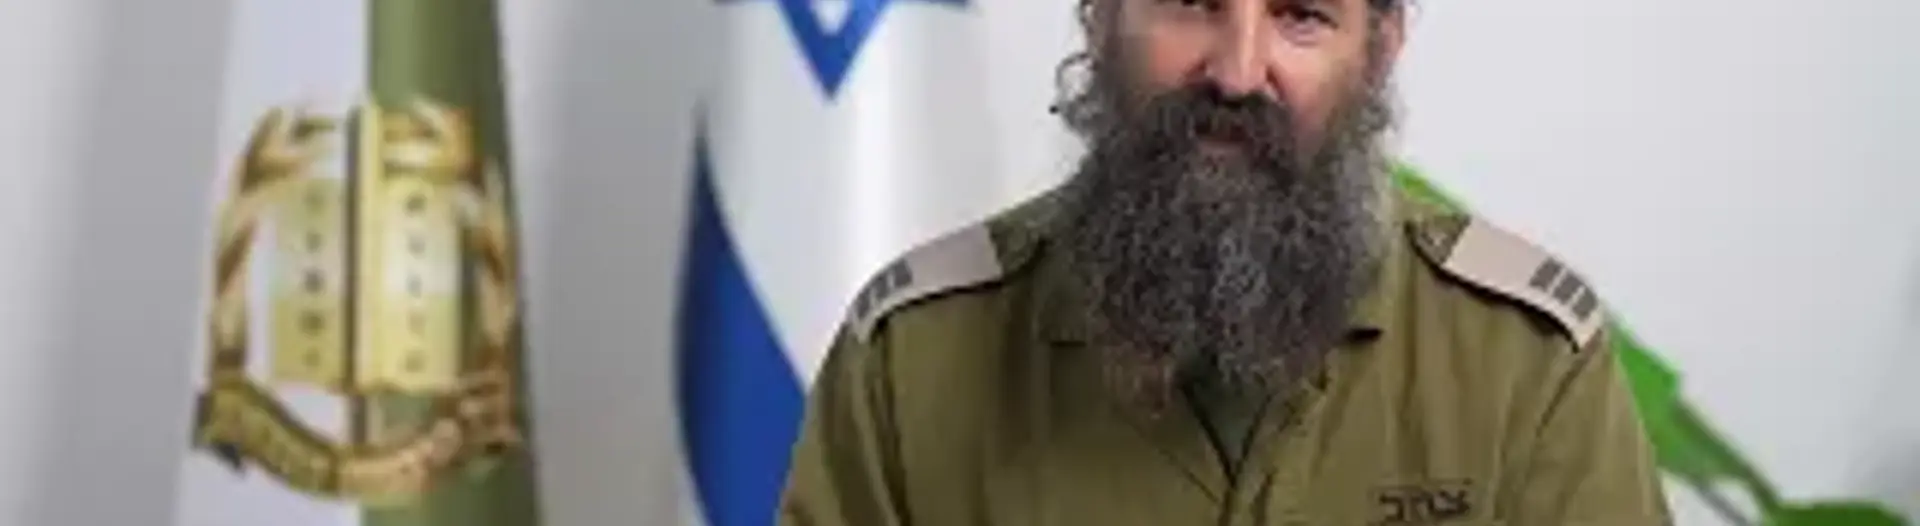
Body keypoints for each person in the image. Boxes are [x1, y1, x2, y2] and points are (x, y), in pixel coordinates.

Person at [778, 0, 1670, 523]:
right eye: (1192, 2)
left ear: (1379, 51)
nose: (1238, 74)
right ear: (1099, 19)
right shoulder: (916, 355)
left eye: (1300, 16)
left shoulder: (1523, 359)